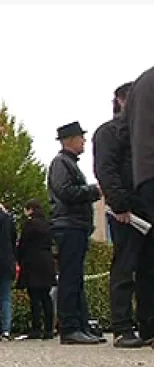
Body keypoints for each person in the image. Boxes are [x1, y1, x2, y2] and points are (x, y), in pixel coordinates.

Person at [93, 82, 145, 348]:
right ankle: (123, 326)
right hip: (127, 209)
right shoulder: (109, 133)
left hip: (145, 204)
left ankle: (147, 325)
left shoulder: (142, 133)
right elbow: (106, 169)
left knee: (147, 267)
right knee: (125, 266)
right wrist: (119, 204)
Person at [48, 122, 102, 345]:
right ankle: (70, 327)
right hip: (69, 225)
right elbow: (66, 192)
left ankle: (80, 325)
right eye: (81, 138)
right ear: (70, 140)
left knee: (76, 277)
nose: (84, 142)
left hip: (74, 225)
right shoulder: (61, 163)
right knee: (70, 277)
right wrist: (94, 190)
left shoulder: (67, 163)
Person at [121, 67, 154, 346]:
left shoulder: (141, 83)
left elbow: (124, 132)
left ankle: (148, 324)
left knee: (148, 257)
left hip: (144, 176)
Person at [17, 198, 57, 340]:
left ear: (30, 210)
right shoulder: (48, 224)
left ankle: (36, 328)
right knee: (46, 297)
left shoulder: (29, 225)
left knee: (34, 298)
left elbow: (23, 244)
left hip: (32, 262)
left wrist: (19, 258)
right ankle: (49, 329)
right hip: (46, 261)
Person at [0, 206, 17, 341]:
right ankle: (6, 330)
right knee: (6, 297)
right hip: (7, 260)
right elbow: (13, 239)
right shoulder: (8, 219)